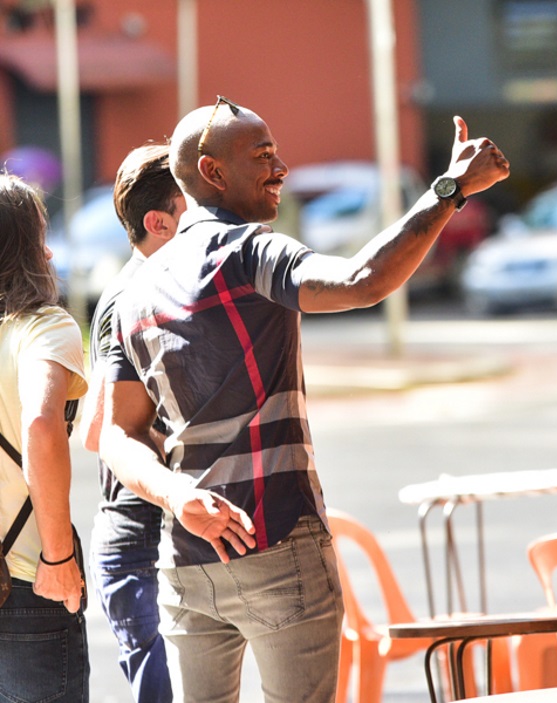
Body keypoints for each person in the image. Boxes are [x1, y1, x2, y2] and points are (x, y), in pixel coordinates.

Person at [98, 97, 510, 702]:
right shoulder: (247, 250)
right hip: (279, 542)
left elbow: (116, 435)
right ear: (213, 172)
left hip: (187, 561)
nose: (281, 168)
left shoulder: (134, 292)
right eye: (262, 156)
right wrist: (449, 189)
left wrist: (178, 496)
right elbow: (361, 281)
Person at [78, 142, 185, 703]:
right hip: (142, 539)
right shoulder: (131, 296)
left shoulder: (148, 285)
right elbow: (97, 430)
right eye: (196, 211)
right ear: (158, 222)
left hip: (149, 537)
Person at [0, 173, 89, 700]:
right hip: (26, 579)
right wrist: (58, 559)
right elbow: (40, 422)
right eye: (41, 237)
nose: (51, 252)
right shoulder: (42, 328)